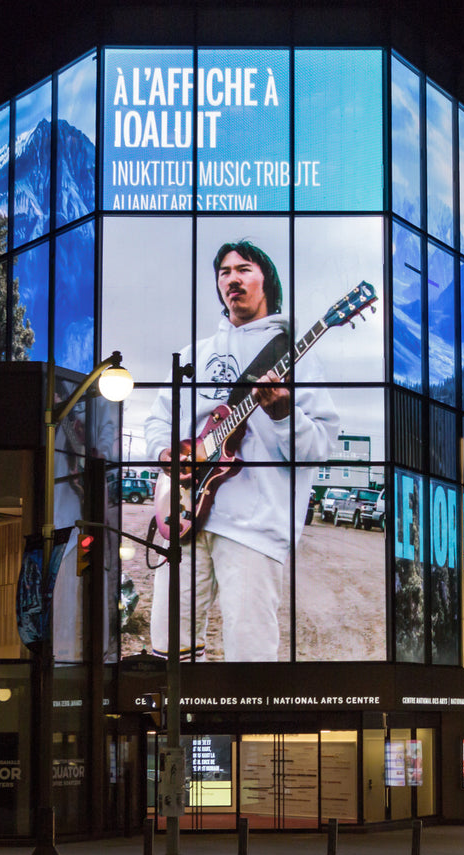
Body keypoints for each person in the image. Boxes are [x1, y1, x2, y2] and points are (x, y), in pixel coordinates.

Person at [145, 240, 339, 660]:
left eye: (244, 269)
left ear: (265, 279)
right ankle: (179, 726)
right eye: (224, 272)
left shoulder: (296, 357)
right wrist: (164, 453)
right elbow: (159, 418)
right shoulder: (196, 353)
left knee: (249, 656)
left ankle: (242, 727)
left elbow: (320, 445)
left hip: (254, 526)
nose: (232, 278)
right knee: (167, 649)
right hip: (183, 515)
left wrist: (285, 415)